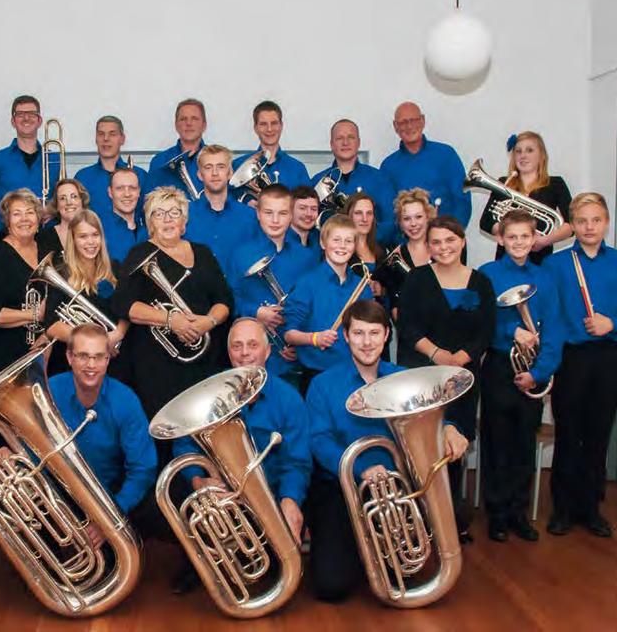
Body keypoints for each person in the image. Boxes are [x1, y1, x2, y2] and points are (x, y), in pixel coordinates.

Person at [304, 299, 469, 601]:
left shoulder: (405, 378)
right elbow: (318, 441)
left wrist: (449, 428)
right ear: (346, 336)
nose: (366, 343)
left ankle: (372, 550)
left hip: (398, 491)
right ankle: (356, 548)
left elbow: (436, 414)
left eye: (374, 333)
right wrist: (360, 469)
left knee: (402, 573)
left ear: (386, 336)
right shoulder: (323, 384)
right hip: (344, 489)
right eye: (359, 333)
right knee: (331, 587)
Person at [170, 317, 311, 594]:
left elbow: (298, 461)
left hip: (270, 496)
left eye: (252, 345)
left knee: (270, 572)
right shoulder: (209, 396)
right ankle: (203, 560)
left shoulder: (288, 398)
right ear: (229, 352)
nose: (245, 353)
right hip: (222, 498)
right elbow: (184, 446)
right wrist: (199, 480)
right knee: (178, 490)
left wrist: (290, 501)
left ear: (267, 351)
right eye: (237, 346)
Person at [542, 192, 617, 538]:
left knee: (598, 432)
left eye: (596, 220)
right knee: (569, 431)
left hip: (608, 357)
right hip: (571, 357)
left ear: (606, 223)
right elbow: (549, 315)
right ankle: (562, 508)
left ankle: (590, 508)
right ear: (572, 225)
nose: (589, 227)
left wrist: (612, 324)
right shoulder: (556, 265)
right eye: (582, 221)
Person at [0, 324, 157, 545]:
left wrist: (110, 517)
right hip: (58, 495)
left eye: (98, 357)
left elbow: (143, 469)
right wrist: (10, 454)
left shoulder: (125, 400)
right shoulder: (49, 390)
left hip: (109, 495)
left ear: (108, 359)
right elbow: (32, 445)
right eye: (83, 356)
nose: (91, 365)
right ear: (69, 357)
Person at [112, 186, 233, 464]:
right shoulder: (140, 253)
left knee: (203, 437)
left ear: (184, 221)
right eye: (159, 213)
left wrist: (208, 321)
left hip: (203, 363)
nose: (167, 219)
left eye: (174, 213)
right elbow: (123, 304)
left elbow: (224, 299)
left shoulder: (202, 252)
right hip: (157, 368)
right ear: (149, 222)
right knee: (164, 440)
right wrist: (170, 319)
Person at [397, 215, 495, 538]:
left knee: (455, 444)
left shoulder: (481, 282)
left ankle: (450, 518)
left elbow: (486, 330)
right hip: (424, 374)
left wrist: (460, 360)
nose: (444, 247)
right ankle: (421, 520)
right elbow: (408, 326)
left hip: (464, 378)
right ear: (428, 247)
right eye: (436, 242)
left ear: (462, 242)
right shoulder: (416, 279)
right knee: (424, 443)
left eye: (450, 241)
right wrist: (439, 355)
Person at [479, 210, 564, 542]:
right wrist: (512, 330)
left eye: (525, 237)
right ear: (500, 239)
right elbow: (482, 322)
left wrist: (539, 372)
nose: (518, 243)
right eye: (511, 237)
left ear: (534, 240)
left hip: (534, 366)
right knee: (497, 439)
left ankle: (518, 512)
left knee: (524, 442)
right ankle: (497, 514)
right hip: (500, 365)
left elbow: (555, 328)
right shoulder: (487, 274)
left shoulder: (545, 278)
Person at [227, 184, 317, 382]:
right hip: (249, 360)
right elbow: (229, 299)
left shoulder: (306, 258)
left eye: (283, 213)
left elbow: (312, 307)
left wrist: (297, 343)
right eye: (268, 213)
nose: (275, 220)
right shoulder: (240, 254)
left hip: (292, 362)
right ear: (258, 213)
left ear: (291, 215)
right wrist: (255, 312)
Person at [282, 214, 374, 392]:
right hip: (317, 375)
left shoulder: (362, 287)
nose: (342, 246)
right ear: (323, 243)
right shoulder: (307, 284)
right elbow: (289, 334)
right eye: (336, 240)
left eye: (348, 241)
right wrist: (315, 338)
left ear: (354, 246)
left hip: (356, 372)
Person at [43, 210, 128, 379]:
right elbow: (51, 325)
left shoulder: (115, 268)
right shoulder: (61, 273)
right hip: (72, 362)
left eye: (95, 235)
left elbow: (128, 309)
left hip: (113, 359)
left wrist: (118, 333)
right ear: (73, 239)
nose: (90, 242)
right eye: (83, 236)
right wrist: (94, 342)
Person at [479, 131, 573, 264]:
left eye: (529, 150)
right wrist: (511, 236)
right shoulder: (504, 183)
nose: (523, 156)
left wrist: (544, 241)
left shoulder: (556, 184)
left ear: (541, 156)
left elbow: (571, 224)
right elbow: (486, 222)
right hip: (506, 258)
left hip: (541, 258)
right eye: (518, 151)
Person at [0, 189, 45, 379]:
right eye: (17, 214)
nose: (24, 219)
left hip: (45, 349)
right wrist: (34, 315)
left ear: (39, 218)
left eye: (30, 212)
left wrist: (47, 334)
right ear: (7, 221)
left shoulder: (45, 247)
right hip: (8, 355)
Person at [380, 102, 471, 228]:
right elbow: (389, 212)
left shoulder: (446, 155)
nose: (409, 126)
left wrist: (452, 234)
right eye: (403, 122)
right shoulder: (388, 166)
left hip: (447, 241)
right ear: (395, 126)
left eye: (414, 120)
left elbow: (462, 200)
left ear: (422, 121)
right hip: (409, 242)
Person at [0, 95, 62, 233]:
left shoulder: (55, 159)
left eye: (32, 114)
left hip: (47, 236)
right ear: (13, 121)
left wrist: (52, 208)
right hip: (9, 238)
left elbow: (63, 197)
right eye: (20, 114)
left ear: (39, 121)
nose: (26, 118)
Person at [310, 119, 396, 243]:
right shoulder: (318, 181)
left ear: (359, 142)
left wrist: (363, 241)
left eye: (351, 137)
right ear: (331, 144)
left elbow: (390, 223)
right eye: (339, 138)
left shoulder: (379, 179)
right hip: (329, 257)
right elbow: (310, 225)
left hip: (369, 256)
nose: (345, 142)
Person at [183, 144, 260, 269]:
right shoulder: (184, 216)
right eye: (208, 167)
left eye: (221, 167)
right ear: (199, 175)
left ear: (230, 173)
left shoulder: (250, 216)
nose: (215, 173)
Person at [373, 188, 436, 318]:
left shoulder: (443, 251)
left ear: (428, 218)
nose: (413, 224)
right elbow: (394, 306)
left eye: (418, 217)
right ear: (400, 223)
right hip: (410, 332)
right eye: (406, 219)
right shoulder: (394, 260)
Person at [230, 101, 310, 202]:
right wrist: (246, 202)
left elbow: (308, 204)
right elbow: (227, 199)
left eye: (274, 123)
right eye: (263, 124)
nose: (269, 129)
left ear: (281, 126)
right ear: (256, 128)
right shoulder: (238, 165)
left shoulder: (298, 168)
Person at [74, 115, 150, 221]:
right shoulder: (82, 177)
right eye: (101, 134)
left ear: (122, 139)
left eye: (112, 134)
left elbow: (148, 216)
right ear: (96, 139)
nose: (106, 139)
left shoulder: (140, 175)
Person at [147, 98, 207, 199]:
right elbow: (149, 203)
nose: (189, 123)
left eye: (194, 119)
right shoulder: (159, 162)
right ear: (176, 125)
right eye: (183, 119)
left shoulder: (216, 159)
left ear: (204, 125)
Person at [102, 167, 149, 268]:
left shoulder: (148, 230)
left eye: (132, 188)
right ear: (110, 192)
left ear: (139, 192)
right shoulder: (99, 229)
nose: (127, 194)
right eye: (120, 188)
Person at [36, 178, 89, 259]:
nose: (69, 202)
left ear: (82, 201)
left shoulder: (93, 232)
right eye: (62, 198)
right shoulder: (44, 237)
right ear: (57, 205)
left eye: (74, 196)